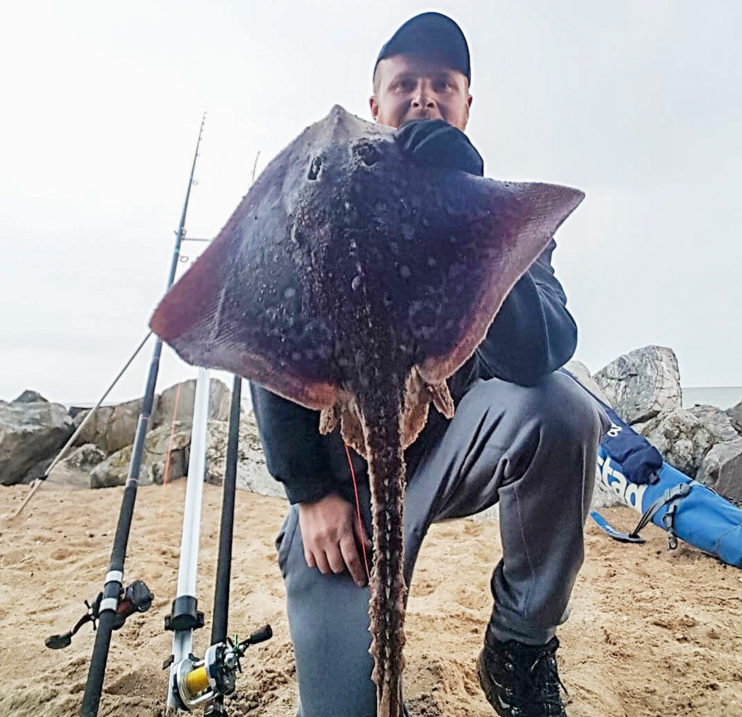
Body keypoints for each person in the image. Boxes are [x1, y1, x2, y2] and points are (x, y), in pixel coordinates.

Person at [250, 12, 609, 717]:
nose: (423, 97)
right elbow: (266, 345)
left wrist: (464, 210)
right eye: (405, 83)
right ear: (375, 102)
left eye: (442, 84)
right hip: (344, 487)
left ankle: (520, 642)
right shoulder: (317, 198)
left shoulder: (494, 212)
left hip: (456, 448)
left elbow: (540, 351)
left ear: (466, 105)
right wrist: (307, 492)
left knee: (565, 409)